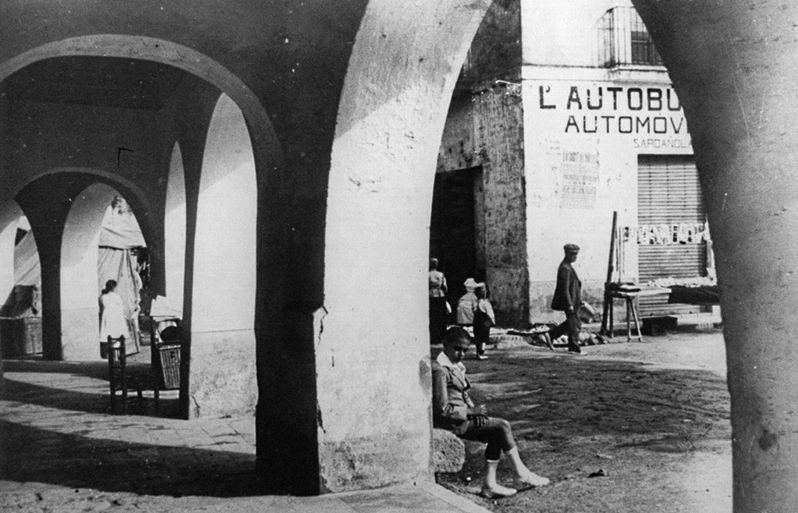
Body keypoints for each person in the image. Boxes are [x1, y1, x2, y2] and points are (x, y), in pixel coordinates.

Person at [432, 327, 549, 498]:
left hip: (462, 418)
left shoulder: (454, 366)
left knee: (495, 432)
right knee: (502, 426)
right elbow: (442, 409)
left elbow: (463, 394)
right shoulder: (440, 371)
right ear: (445, 345)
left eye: (465, 350)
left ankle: (490, 485)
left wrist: (476, 414)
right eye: (457, 349)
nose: (461, 354)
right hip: (452, 423)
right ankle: (521, 474)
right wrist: (471, 412)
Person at [549, 243, 583, 354]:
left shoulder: (568, 266)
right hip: (570, 302)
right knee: (574, 324)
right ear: (566, 254)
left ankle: (551, 335)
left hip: (574, 300)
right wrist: (569, 304)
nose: (575, 257)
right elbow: (564, 289)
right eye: (573, 254)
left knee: (572, 323)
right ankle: (574, 346)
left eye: (576, 254)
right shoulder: (565, 268)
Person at [428, 258, 449, 344]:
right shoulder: (441, 274)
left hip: (431, 295)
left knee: (433, 316)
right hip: (440, 295)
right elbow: (445, 286)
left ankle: (433, 337)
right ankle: (441, 336)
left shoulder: (427, 274)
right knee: (440, 316)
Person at [472, 285, 495, 360]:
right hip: (485, 322)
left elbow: (473, 311)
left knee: (477, 337)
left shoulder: (475, 303)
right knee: (483, 338)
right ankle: (481, 353)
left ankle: (477, 353)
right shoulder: (486, 304)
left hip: (476, 321)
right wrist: (492, 322)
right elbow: (490, 314)